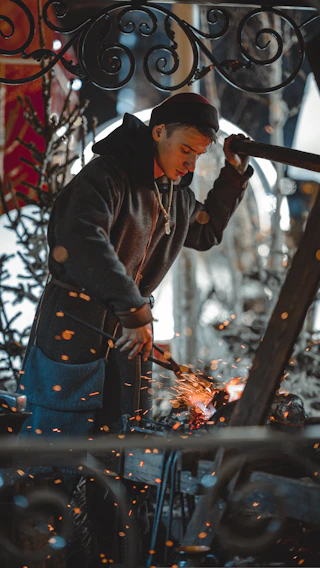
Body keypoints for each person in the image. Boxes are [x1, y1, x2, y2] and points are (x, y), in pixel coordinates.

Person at [18, 92, 252, 438]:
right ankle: (39, 494)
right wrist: (133, 309)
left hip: (128, 339)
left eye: (199, 155)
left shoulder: (174, 193)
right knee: (58, 441)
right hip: (75, 325)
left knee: (119, 441)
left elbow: (203, 230)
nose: (190, 164)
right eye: (185, 149)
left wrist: (233, 174)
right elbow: (82, 241)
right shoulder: (107, 176)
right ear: (158, 132)